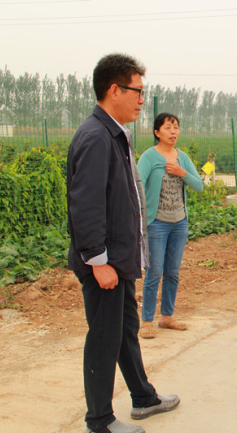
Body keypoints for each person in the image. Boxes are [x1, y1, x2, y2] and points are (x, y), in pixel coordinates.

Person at [67, 53, 179, 433]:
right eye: (137, 91)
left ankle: (143, 397)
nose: (142, 100)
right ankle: (99, 420)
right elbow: (86, 205)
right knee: (104, 339)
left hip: (119, 261)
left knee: (124, 332)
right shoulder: (97, 137)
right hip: (105, 265)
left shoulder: (115, 134)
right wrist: (98, 262)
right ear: (115, 90)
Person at [137, 113, 204, 338]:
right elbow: (137, 185)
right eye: (168, 127)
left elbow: (199, 185)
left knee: (173, 273)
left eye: (176, 127)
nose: (173, 131)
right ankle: (146, 321)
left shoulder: (182, 158)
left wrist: (181, 172)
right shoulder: (149, 157)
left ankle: (166, 316)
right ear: (157, 132)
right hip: (156, 224)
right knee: (154, 272)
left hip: (179, 223)